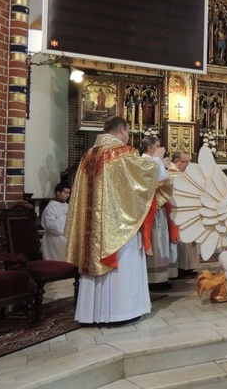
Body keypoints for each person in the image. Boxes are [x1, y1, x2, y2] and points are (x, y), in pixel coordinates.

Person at [66, 116, 168, 324]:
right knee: (124, 263)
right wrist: (156, 159)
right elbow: (144, 177)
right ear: (121, 130)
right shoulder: (121, 153)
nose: (128, 137)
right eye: (128, 132)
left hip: (93, 226)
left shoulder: (88, 155)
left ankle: (91, 313)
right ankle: (120, 312)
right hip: (118, 224)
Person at [141, 136, 177, 289]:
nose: (161, 149)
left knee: (161, 241)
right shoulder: (145, 161)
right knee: (155, 242)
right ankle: (153, 280)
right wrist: (159, 162)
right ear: (150, 148)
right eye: (158, 146)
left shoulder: (152, 161)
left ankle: (161, 277)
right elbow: (160, 178)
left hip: (158, 207)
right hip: (150, 209)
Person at [170, 150, 201, 278]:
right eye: (185, 162)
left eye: (189, 161)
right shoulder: (171, 174)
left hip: (189, 208)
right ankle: (181, 266)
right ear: (176, 162)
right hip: (178, 210)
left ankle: (189, 266)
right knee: (181, 238)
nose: (187, 164)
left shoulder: (184, 173)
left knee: (190, 238)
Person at [41, 183, 71, 261]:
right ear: (58, 193)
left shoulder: (68, 206)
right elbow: (50, 226)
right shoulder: (50, 207)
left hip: (67, 236)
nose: (68, 195)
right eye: (66, 192)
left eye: (69, 193)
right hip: (55, 238)